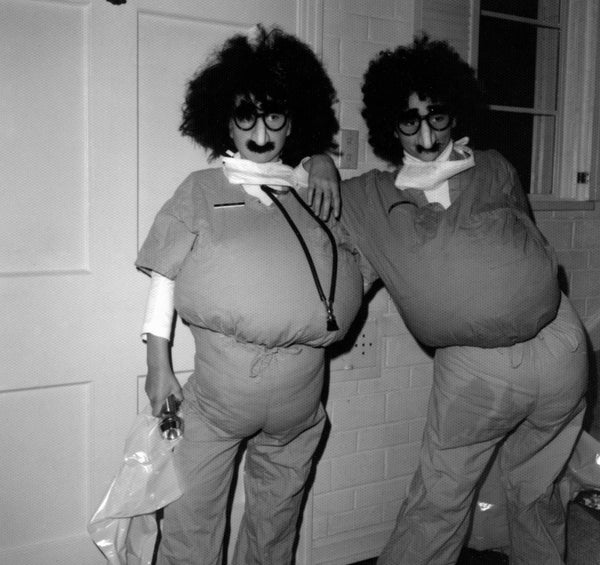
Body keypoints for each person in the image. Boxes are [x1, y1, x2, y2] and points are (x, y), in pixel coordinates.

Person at [310, 35, 588, 565]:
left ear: (453, 113)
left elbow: (524, 247)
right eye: (409, 121)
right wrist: (318, 157)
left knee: (539, 498)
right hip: (475, 374)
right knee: (437, 504)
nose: (426, 134)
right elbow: (303, 202)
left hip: (561, 350)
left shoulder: (495, 166)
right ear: (392, 127)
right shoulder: (371, 195)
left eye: (436, 116)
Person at [135, 25, 363, 565]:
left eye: (275, 116)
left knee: (276, 527)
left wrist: (320, 159)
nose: (260, 132)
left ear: (295, 120)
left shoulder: (313, 192)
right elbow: (162, 278)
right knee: (191, 521)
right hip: (217, 401)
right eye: (246, 116)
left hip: (302, 403)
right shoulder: (200, 189)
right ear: (225, 122)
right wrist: (158, 365)